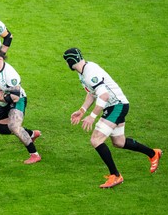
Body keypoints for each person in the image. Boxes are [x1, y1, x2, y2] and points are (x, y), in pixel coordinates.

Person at [63, 47, 162, 188]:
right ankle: (153, 153)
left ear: (71, 61)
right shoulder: (83, 72)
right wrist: (82, 110)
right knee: (119, 142)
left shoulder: (90, 73)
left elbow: (104, 95)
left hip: (117, 105)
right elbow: (93, 92)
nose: (66, 65)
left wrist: (92, 116)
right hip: (115, 105)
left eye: (66, 62)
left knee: (96, 139)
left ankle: (115, 175)